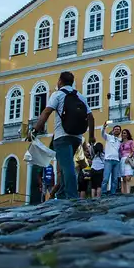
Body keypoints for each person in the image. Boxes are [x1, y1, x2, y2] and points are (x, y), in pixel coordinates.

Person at [32, 70, 96, 200]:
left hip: (62, 136)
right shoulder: (80, 96)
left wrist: (35, 130)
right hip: (77, 137)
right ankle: (61, 195)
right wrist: (91, 137)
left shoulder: (58, 95)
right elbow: (91, 117)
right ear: (72, 82)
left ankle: (72, 198)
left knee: (67, 168)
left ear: (60, 81)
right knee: (65, 166)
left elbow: (46, 112)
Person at [101, 125, 124, 196]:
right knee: (106, 178)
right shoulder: (108, 137)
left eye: (118, 129)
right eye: (115, 129)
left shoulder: (120, 141)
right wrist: (104, 127)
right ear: (113, 131)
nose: (117, 130)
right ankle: (103, 193)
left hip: (117, 161)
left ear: (120, 131)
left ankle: (113, 193)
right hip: (108, 160)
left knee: (115, 179)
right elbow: (102, 133)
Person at [119, 128, 134, 194]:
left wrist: (129, 157)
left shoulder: (131, 141)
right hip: (122, 160)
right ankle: (124, 193)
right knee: (124, 178)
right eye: (122, 133)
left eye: (124, 133)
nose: (123, 134)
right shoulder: (121, 143)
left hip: (128, 160)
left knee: (128, 177)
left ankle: (128, 193)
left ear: (127, 135)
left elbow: (133, 151)